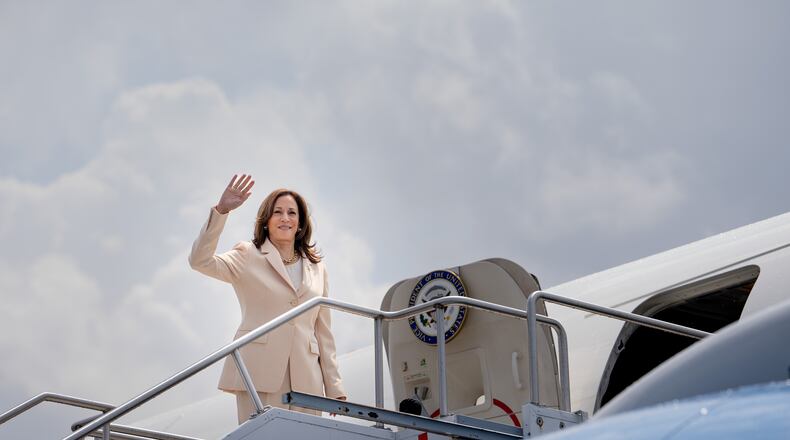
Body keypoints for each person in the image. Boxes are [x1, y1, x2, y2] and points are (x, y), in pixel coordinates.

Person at [189, 174, 346, 424]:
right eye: (278, 212)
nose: (285, 218)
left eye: (292, 213)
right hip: (258, 374)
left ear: (301, 222)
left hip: (308, 380)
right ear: (266, 221)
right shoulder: (247, 255)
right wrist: (221, 211)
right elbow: (200, 261)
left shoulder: (318, 268)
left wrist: (335, 388)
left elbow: (323, 331)